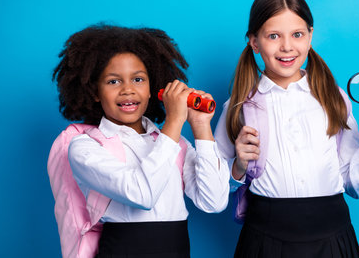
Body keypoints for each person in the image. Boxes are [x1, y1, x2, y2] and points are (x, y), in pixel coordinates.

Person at [214, 0, 359, 258]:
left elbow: (353, 184)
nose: (287, 46)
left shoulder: (333, 99)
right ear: (254, 42)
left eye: (297, 35)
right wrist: (238, 167)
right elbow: (214, 188)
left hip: (332, 238)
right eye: (273, 36)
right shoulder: (238, 107)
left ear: (310, 36)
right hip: (264, 239)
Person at [52, 24, 229, 258]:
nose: (128, 90)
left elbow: (214, 201)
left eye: (138, 79)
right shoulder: (85, 147)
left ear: (151, 89)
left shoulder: (175, 144)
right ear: (95, 92)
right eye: (113, 81)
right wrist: (175, 121)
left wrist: (200, 126)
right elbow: (142, 195)